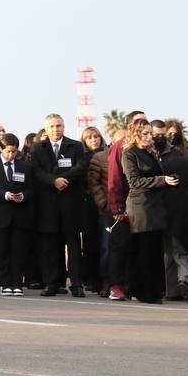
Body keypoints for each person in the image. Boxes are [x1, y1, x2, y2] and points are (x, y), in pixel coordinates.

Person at [31, 113, 88, 297]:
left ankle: (77, 284)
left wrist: (64, 179)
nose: (56, 129)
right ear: (46, 129)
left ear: (64, 127)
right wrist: (53, 181)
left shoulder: (76, 146)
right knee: (50, 247)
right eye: (52, 126)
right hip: (48, 204)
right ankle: (51, 283)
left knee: (73, 245)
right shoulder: (38, 148)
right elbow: (36, 171)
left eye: (59, 126)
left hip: (71, 203)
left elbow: (81, 167)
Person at [122, 120, 176, 303]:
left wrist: (168, 179)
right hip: (141, 208)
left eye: (149, 133)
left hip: (156, 207)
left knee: (154, 250)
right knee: (145, 251)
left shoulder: (150, 152)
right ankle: (145, 291)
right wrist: (162, 180)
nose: (148, 136)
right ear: (134, 134)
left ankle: (152, 290)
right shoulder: (129, 154)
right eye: (144, 133)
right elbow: (134, 182)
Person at [0, 133, 37, 296]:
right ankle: (4, 283)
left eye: (14, 152)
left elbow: (33, 190)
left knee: (18, 251)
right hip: (0, 216)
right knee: (1, 251)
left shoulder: (25, 167)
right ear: (0, 149)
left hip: (20, 216)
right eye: (8, 151)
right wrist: (4, 195)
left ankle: (17, 283)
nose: (11, 155)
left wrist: (23, 196)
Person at [161, 122, 188, 300]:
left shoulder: (162, 162)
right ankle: (183, 280)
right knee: (181, 250)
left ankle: (173, 289)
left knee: (171, 251)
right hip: (184, 212)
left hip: (167, 212)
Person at [81, 126, 109, 295]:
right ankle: (92, 280)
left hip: (105, 204)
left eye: (96, 137)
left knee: (105, 244)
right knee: (91, 244)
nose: (94, 140)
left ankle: (104, 280)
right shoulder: (82, 158)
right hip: (87, 205)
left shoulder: (108, 155)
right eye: (90, 138)